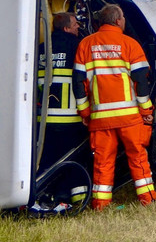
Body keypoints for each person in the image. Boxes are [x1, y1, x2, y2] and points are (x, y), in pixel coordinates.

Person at [73, 4, 156, 209]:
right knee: (138, 158)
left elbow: (78, 82)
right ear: (118, 20)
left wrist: (85, 111)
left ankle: (101, 204)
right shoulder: (130, 44)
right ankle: (148, 200)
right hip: (130, 117)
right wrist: (146, 111)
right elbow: (141, 82)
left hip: (100, 118)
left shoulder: (85, 44)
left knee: (102, 163)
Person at [36, 12, 90, 207]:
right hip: (70, 119)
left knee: (48, 160)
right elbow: (82, 81)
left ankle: (44, 194)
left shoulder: (41, 49)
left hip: (45, 121)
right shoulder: (78, 47)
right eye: (75, 24)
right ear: (66, 28)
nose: (78, 27)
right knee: (73, 159)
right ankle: (71, 197)